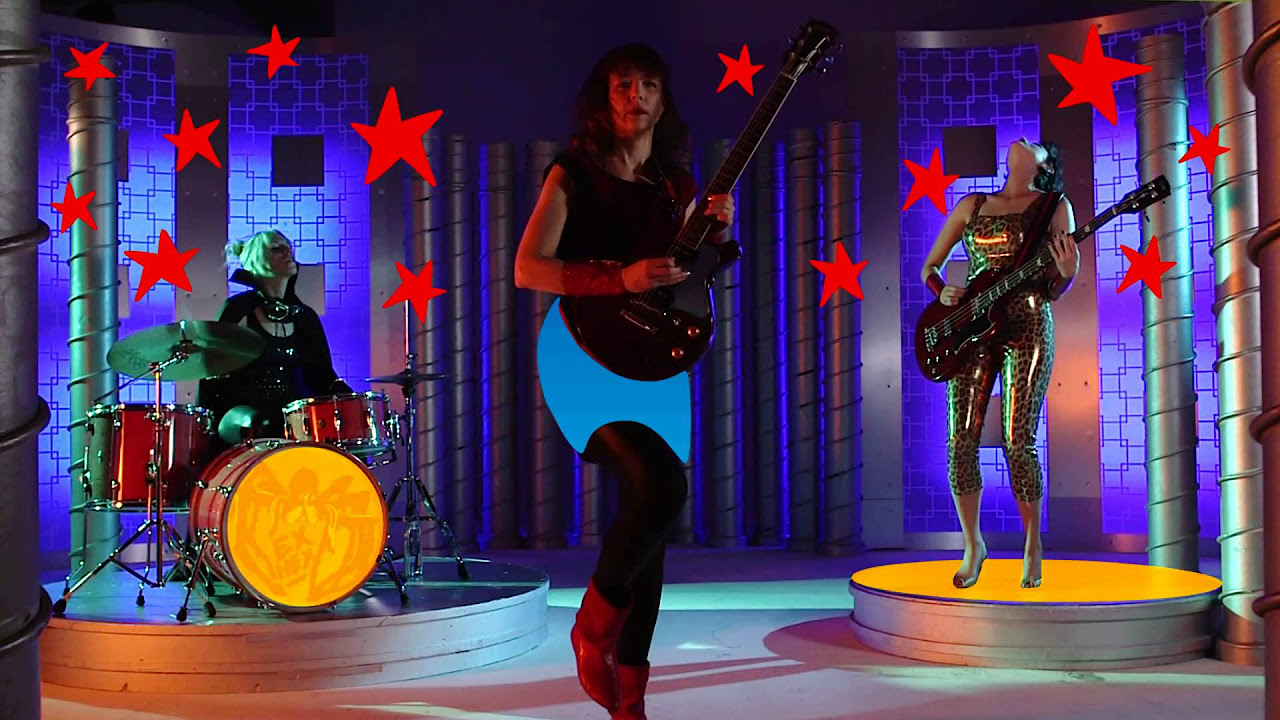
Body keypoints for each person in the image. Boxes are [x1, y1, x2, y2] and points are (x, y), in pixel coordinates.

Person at [514, 44, 733, 719]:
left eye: (649, 85)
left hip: (655, 361)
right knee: (663, 486)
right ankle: (593, 625)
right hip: (582, 353)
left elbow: (688, 274)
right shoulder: (573, 170)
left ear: (664, 101)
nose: (636, 95)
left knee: (655, 515)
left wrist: (716, 234)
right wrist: (620, 277)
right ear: (603, 98)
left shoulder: (675, 184)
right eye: (623, 84)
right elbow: (528, 267)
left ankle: (631, 696)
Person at [919, 138, 1079, 590]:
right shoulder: (972, 204)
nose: (1023, 141)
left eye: (1035, 144)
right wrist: (943, 291)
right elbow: (930, 267)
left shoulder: (1053, 205)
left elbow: (1055, 283)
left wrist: (1068, 276)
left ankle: (1032, 543)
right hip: (970, 325)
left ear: (1043, 165)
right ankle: (973, 544)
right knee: (959, 440)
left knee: (1018, 439)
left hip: (1027, 322)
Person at [197, 230, 352, 454]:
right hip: (245, 414)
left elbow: (322, 373)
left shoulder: (304, 316)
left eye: (288, 247)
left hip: (293, 413)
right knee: (263, 423)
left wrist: (349, 399)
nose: (288, 252)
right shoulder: (237, 310)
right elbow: (213, 374)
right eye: (277, 249)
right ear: (258, 259)